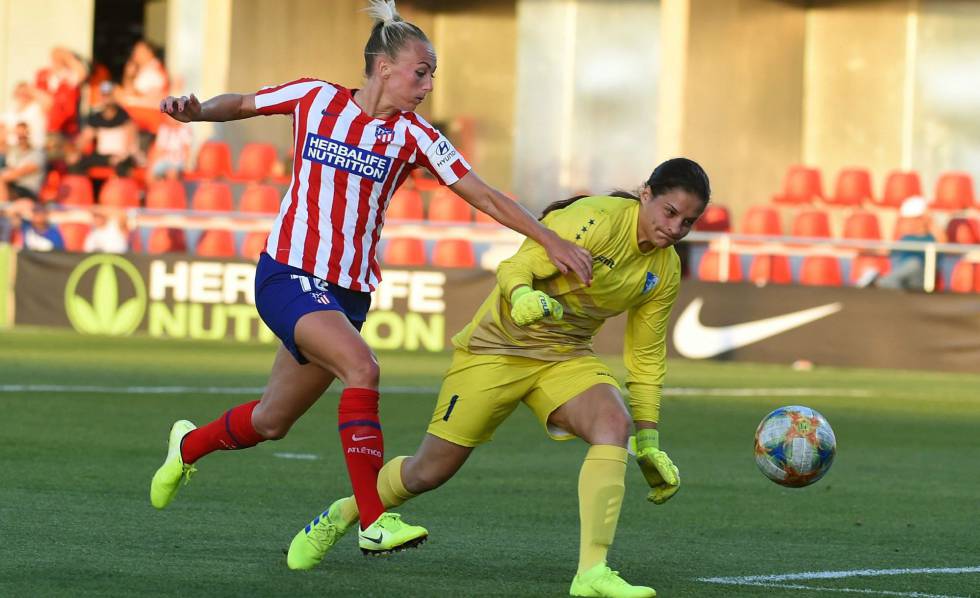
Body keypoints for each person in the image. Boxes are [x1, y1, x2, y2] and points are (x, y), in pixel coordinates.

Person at [148, 0, 592, 561]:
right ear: (384, 66)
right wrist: (197, 112)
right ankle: (374, 521)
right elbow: (240, 103)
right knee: (363, 367)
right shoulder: (315, 98)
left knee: (271, 420)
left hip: (349, 293)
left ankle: (187, 446)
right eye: (421, 71)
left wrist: (549, 237)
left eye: (432, 74)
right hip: (289, 271)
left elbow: (483, 194)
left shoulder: (415, 136)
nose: (428, 84)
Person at [288, 158, 710, 598]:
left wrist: (648, 438)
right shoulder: (594, 220)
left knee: (613, 425)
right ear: (647, 194)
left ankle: (592, 573)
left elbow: (644, 355)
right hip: (495, 349)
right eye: (670, 212)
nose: (676, 228)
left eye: (689, 221)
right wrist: (523, 295)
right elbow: (516, 267)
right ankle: (342, 514)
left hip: (564, 356)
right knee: (428, 472)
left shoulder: (664, 270)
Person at [857, 196, 940, 291]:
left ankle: (878, 281)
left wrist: (929, 219)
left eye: (916, 219)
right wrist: (865, 249)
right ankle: (881, 282)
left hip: (919, 278)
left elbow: (942, 243)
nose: (912, 223)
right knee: (897, 281)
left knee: (914, 264)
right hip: (902, 280)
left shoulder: (931, 237)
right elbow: (887, 250)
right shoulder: (906, 238)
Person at [66, 82, 141, 177]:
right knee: (74, 161)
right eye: (104, 95)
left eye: (109, 95)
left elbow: (130, 143)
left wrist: (122, 156)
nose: (106, 98)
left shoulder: (124, 116)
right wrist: (73, 150)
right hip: (102, 157)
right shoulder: (96, 118)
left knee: (122, 166)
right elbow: (84, 138)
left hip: (119, 156)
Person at [0, 122, 46, 203]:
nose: (21, 137)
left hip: (28, 191)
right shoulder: (14, 152)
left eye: (24, 134)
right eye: (18, 134)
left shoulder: (37, 153)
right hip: (13, 187)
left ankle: (3, 207)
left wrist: (5, 174)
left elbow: (19, 172)